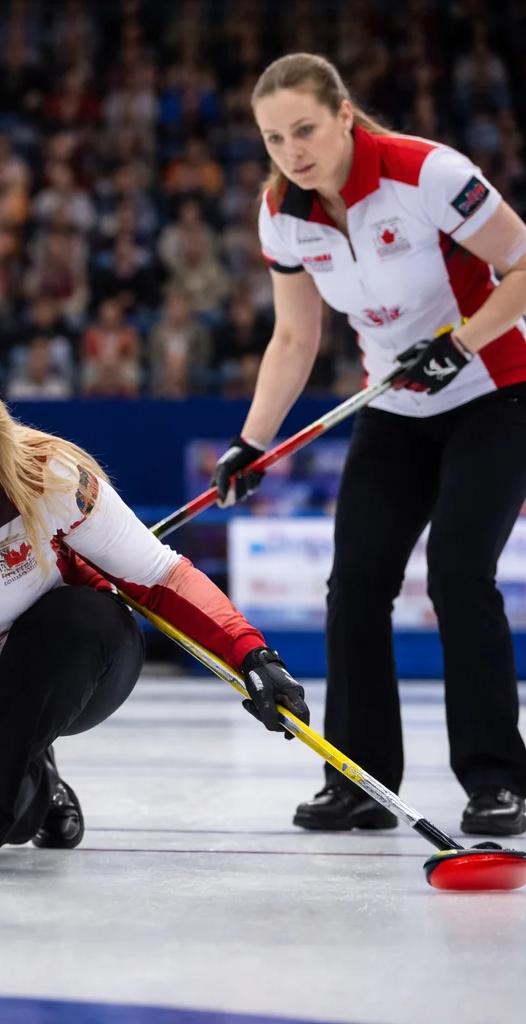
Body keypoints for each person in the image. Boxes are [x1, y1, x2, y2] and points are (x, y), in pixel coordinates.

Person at [0, 344, 310, 870]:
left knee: (76, 619)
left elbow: (160, 576)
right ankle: (37, 778)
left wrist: (253, 656)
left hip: (70, 659)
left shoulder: (48, 476)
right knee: (12, 813)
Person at [214, 53, 526, 837]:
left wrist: (464, 340)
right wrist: (251, 443)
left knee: (458, 573)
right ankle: (358, 780)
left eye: (306, 130)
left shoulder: (426, 174)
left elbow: (522, 261)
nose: (293, 151)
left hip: (497, 392)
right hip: (396, 405)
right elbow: (295, 335)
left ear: (345, 115)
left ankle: (498, 779)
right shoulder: (282, 212)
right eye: (275, 138)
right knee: (355, 584)